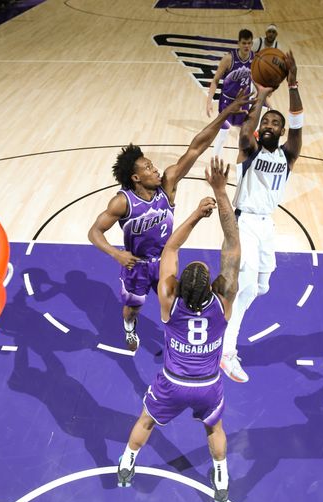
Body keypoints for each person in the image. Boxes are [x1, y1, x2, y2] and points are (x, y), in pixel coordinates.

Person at [116, 157, 240, 502]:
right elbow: (232, 245)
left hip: (173, 383)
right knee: (214, 429)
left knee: (146, 421)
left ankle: (127, 461)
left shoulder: (169, 304)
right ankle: (221, 475)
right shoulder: (223, 305)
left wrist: (196, 216)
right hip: (206, 386)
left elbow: (170, 247)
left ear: (178, 287)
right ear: (215, 288)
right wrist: (219, 192)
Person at [88, 91, 251, 353]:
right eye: (149, 168)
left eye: (153, 166)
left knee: (180, 304)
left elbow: (196, 146)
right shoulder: (123, 202)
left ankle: (179, 340)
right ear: (136, 178)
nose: (156, 169)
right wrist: (116, 254)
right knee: (132, 309)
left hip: (166, 260)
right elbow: (94, 231)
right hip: (137, 265)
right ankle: (130, 328)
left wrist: (226, 113)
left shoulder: (169, 184)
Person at [220, 51, 302, 384]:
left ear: (282, 132)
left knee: (262, 286)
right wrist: (262, 99)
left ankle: (222, 299)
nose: (269, 125)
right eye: (266, 122)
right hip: (244, 223)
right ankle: (226, 352)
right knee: (247, 288)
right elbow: (245, 132)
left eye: (275, 123)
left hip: (267, 224)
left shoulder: (288, 154)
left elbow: (298, 125)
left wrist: (293, 83)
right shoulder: (249, 151)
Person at [205, 29, 254, 157]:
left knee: (243, 137)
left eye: (249, 43)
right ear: (238, 43)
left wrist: (265, 99)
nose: (246, 46)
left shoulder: (255, 59)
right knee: (222, 134)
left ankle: (242, 166)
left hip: (243, 103)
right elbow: (215, 80)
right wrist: (209, 101)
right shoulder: (228, 59)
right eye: (244, 43)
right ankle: (213, 164)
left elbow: (257, 82)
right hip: (227, 102)